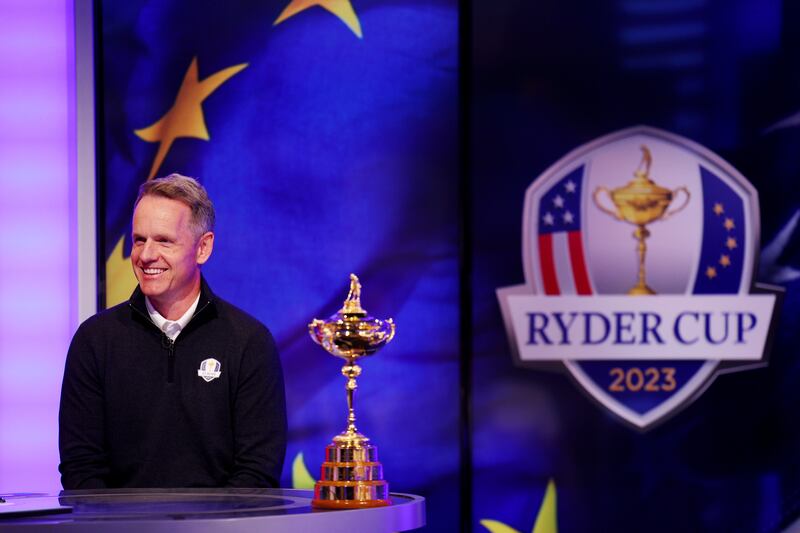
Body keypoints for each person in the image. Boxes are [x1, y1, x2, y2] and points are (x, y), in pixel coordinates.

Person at [58, 174, 286, 489]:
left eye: (164, 240)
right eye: (139, 240)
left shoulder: (249, 342)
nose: (146, 255)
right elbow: (81, 469)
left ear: (203, 248)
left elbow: (257, 471)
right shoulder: (94, 340)